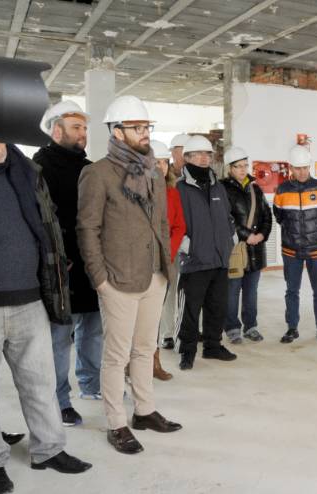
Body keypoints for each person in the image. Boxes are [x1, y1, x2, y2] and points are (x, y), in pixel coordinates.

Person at [77, 95, 182, 455]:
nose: (144, 132)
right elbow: (87, 229)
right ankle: (116, 423)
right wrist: (100, 279)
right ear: (117, 132)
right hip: (118, 279)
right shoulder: (97, 173)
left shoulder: (153, 171)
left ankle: (145, 411)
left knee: (145, 348)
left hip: (154, 275)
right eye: (137, 127)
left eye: (147, 126)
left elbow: (161, 222)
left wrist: (165, 268)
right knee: (116, 356)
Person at [0, 141, 92, 492]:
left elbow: (49, 228)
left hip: (31, 298)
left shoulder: (28, 173)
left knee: (40, 382)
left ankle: (48, 449)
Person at [33, 100, 103, 429]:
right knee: (59, 338)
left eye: (84, 128)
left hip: (92, 263)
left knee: (93, 328)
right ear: (56, 131)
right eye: (76, 128)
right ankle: (60, 401)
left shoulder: (89, 167)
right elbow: (38, 220)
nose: (83, 133)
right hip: (61, 268)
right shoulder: (39, 167)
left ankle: (91, 383)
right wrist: (56, 259)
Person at [175, 135, 237, 370]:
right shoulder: (180, 188)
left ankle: (213, 346)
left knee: (217, 307)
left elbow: (228, 217)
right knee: (191, 310)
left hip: (219, 259)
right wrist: (188, 247)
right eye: (198, 154)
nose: (203, 158)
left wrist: (230, 240)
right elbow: (173, 223)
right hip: (195, 261)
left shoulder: (218, 186)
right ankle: (187, 351)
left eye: (207, 154)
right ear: (187, 158)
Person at [273, 145, 317, 344]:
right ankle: (292, 328)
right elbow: (279, 217)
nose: (301, 172)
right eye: (297, 168)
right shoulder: (282, 190)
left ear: (309, 166)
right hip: (291, 249)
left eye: (305, 168)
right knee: (292, 291)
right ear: (291, 167)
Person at [221, 146, 272, 344]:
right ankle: (232, 329)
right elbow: (225, 219)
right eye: (238, 166)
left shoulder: (255, 189)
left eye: (245, 165)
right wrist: (246, 235)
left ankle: (251, 326)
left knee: (251, 292)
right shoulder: (222, 188)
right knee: (232, 292)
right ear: (229, 168)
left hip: (255, 250)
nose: (243, 170)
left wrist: (262, 235)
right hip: (235, 249)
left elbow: (267, 215)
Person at [150, 140, 183, 380]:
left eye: (164, 162)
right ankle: (132, 364)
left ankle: (154, 362)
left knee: (155, 313)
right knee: (139, 317)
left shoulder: (172, 192)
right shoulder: (135, 192)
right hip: (141, 263)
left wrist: (167, 254)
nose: (161, 166)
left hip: (164, 262)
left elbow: (179, 226)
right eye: (156, 162)